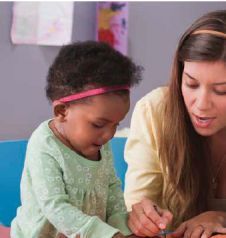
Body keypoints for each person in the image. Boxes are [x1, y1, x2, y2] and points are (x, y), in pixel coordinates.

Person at [123, 10, 226, 238]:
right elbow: (139, 202)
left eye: (221, 90)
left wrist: (220, 218)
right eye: (191, 84)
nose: (201, 105)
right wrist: (143, 217)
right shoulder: (153, 111)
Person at [11, 41, 142, 238]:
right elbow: (54, 206)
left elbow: (112, 187)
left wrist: (121, 228)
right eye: (98, 124)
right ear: (62, 112)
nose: (109, 135)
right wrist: (108, 235)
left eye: (116, 125)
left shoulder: (98, 141)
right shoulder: (44, 145)